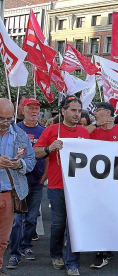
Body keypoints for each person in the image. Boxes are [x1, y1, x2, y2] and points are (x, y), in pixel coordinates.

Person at [34, 96, 90, 276]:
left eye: (78, 110)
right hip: (57, 186)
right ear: (63, 111)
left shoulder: (84, 132)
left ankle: (72, 261)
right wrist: (50, 148)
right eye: (73, 110)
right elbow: (35, 152)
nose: (76, 114)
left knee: (75, 225)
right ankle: (56, 254)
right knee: (58, 224)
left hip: (79, 188)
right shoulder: (51, 130)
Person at [88, 102, 118, 269]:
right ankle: (101, 252)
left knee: (111, 216)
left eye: (97, 110)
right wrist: (95, 125)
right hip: (96, 183)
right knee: (99, 216)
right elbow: (78, 140)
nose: (94, 113)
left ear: (107, 113)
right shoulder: (93, 130)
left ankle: (106, 248)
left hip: (117, 184)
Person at [7, 98, 46, 270]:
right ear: (23, 110)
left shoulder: (44, 131)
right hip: (18, 182)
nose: (34, 111)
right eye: (30, 107)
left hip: (36, 181)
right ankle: (14, 253)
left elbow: (49, 156)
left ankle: (26, 246)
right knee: (17, 220)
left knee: (31, 219)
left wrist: (44, 177)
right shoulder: (14, 130)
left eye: (36, 108)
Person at [0, 98, 36, 276]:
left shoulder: (20, 135)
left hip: (9, 193)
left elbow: (31, 162)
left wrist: (18, 164)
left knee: (2, 240)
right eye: (1, 119)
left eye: (9, 118)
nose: (6, 123)